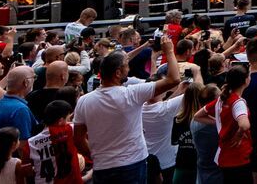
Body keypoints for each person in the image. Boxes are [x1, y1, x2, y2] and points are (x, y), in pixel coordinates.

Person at [74, 37, 183, 184]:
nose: (129, 68)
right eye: (126, 66)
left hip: (102, 166)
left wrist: (96, 155)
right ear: (118, 73)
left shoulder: (84, 101)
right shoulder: (132, 94)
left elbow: (79, 138)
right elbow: (174, 80)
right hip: (132, 164)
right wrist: (169, 51)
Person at [214, 68, 254, 184]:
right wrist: (239, 135)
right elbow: (245, 125)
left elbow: (199, 115)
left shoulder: (222, 99)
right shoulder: (238, 102)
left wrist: (220, 122)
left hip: (225, 153)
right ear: (246, 81)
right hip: (238, 156)